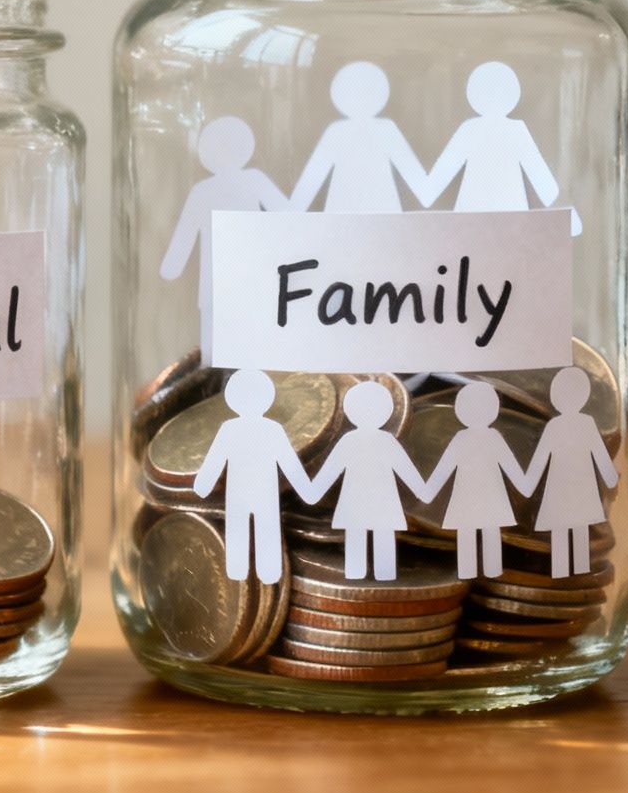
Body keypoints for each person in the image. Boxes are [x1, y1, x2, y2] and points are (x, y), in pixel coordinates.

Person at [158, 116, 288, 348]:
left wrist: (172, 266)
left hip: (244, 276)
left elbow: (288, 216)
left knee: (238, 332)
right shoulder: (249, 182)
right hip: (230, 279)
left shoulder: (208, 189)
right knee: (228, 335)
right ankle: (219, 373)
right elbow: (290, 215)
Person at [416, 60, 581, 236]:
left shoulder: (470, 129)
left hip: (471, 222)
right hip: (510, 222)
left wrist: (421, 189)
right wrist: (568, 218)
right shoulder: (515, 131)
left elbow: (434, 184)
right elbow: (546, 187)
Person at [300, 381, 436, 580]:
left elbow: (329, 472)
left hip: (355, 502)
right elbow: (408, 472)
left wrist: (312, 492)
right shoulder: (386, 441)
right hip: (382, 502)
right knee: (382, 541)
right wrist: (424, 491)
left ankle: (359, 572)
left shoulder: (349, 441)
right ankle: (382, 573)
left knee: (357, 540)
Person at [193, 369, 314, 583]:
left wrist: (204, 484)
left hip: (244, 490)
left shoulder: (232, 428)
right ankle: (265, 570)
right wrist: (306, 489)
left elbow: (215, 461)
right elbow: (289, 462)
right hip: (261, 490)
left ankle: (241, 569)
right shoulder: (271, 429)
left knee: (242, 526)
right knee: (264, 526)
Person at [426, 381, 537, 579]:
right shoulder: (491, 437)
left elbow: (444, 468)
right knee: (489, 532)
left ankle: (472, 570)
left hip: (469, 495)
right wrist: (525, 485)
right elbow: (510, 466)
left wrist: (427, 492)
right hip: (489, 495)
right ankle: (490, 570)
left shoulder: (464, 438)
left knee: (471, 533)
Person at [287, 62, 430, 213]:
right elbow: (421, 184)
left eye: (366, 92)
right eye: (354, 92)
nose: (360, 98)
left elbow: (306, 188)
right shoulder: (380, 129)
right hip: (363, 217)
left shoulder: (341, 131)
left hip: (366, 217)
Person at [522, 366, 620, 577]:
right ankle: (574, 573)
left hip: (561, 485)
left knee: (565, 530)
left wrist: (527, 484)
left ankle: (567, 573)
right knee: (577, 529)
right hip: (579, 485)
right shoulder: (585, 424)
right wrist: (610, 479)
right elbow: (600, 457)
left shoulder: (556, 426)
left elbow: (540, 458)